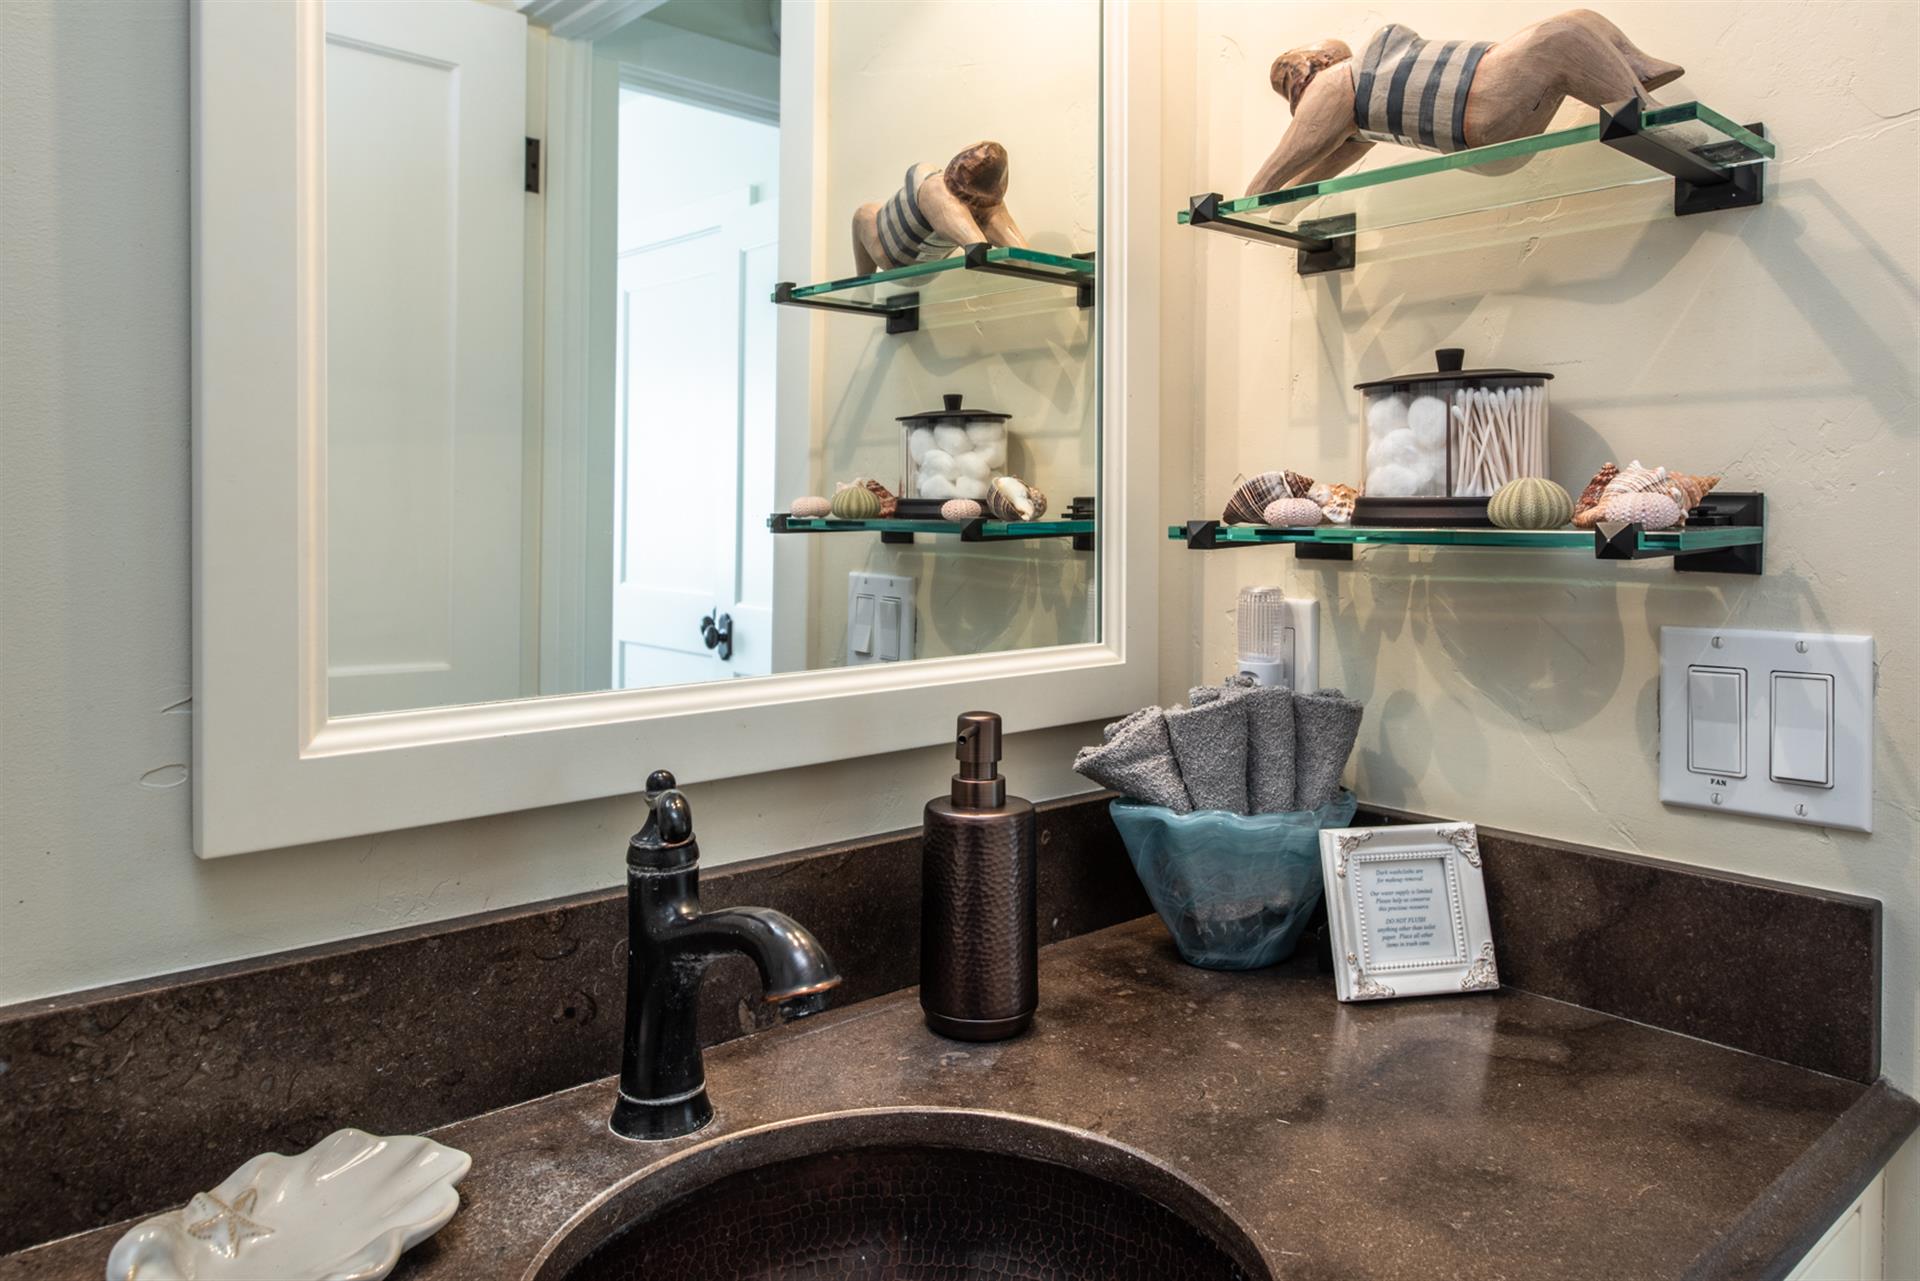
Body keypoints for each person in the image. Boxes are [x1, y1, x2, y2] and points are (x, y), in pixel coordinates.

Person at [1248, 9, 1683, 196]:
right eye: (1327, 54)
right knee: (1562, 39)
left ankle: (1638, 71)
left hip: (1483, 95)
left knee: (1573, 22)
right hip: (1476, 113)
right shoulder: (1335, 85)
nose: (1336, 54)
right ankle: (1644, 107)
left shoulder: (1358, 99)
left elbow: (1320, 163)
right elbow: (1299, 150)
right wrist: (1255, 196)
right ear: (1314, 65)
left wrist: (1287, 202)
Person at [853, 141, 1028, 274]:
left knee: (864, 214)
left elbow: (977, 246)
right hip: (911, 265)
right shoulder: (941, 191)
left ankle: (862, 284)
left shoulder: (938, 190)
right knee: (870, 212)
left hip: (898, 262)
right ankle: (863, 283)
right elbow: (975, 242)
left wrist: (1023, 259)